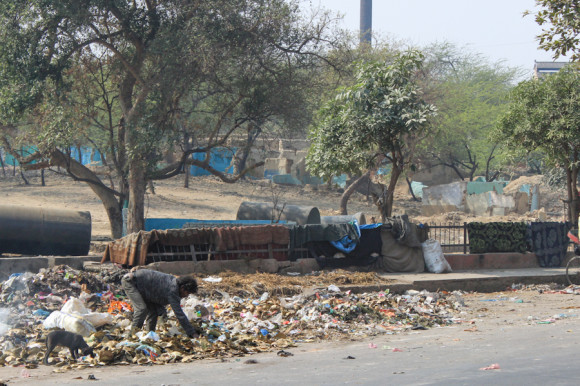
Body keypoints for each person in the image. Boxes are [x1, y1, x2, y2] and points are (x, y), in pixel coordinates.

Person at [121, 268, 199, 338]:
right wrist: (192, 333)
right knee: (142, 309)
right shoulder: (173, 290)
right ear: (182, 288)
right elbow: (179, 314)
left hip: (146, 290)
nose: (186, 296)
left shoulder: (173, 282)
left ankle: (150, 335)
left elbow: (157, 302)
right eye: (187, 293)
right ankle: (132, 336)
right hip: (131, 282)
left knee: (154, 312)